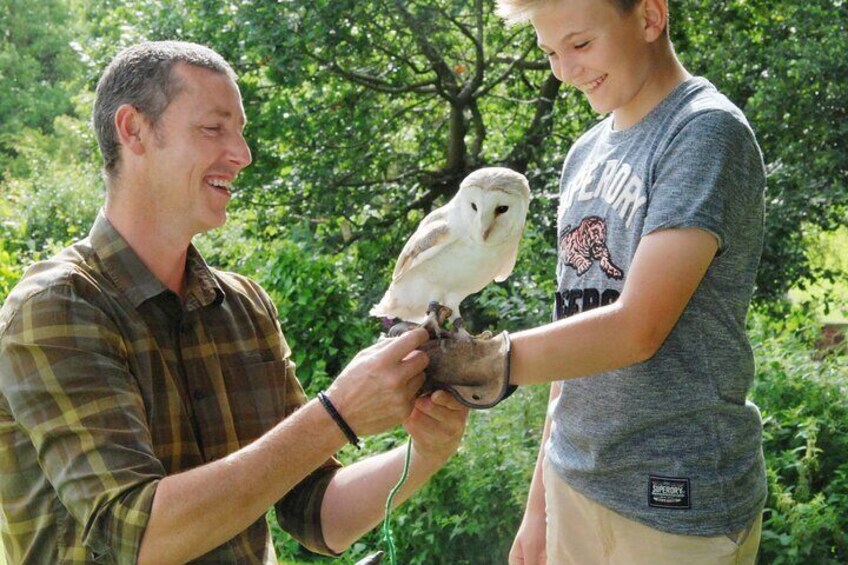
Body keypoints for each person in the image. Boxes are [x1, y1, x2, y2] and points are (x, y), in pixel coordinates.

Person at [0, 41, 468, 564]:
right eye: (213, 129)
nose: (242, 154)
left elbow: (314, 513)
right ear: (132, 130)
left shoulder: (244, 306)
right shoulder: (55, 308)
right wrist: (337, 414)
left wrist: (426, 451)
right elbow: (139, 537)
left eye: (240, 132)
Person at [427, 0, 767, 562]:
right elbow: (575, 338)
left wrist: (480, 362)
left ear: (650, 17)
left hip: (675, 502)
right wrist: (537, 512)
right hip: (573, 481)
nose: (564, 70)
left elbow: (636, 329)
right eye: (551, 53)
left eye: (581, 45)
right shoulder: (584, 154)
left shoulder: (704, 133)